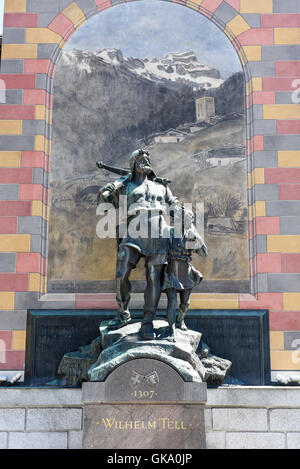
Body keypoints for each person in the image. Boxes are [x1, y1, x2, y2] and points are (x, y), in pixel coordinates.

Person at [97, 149, 181, 340]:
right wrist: (114, 186)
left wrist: (178, 210)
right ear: (133, 163)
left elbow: (174, 205)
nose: (144, 162)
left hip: (159, 230)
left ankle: (147, 322)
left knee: (154, 277)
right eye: (140, 159)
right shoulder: (126, 185)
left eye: (147, 160)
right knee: (121, 272)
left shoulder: (161, 187)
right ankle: (123, 312)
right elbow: (105, 198)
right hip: (134, 229)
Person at [162, 207, 208, 341]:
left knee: (185, 304)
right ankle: (171, 330)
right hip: (171, 269)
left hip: (185, 270)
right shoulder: (168, 232)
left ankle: (180, 320)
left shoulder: (190, 235)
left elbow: (204, 253)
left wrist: (196, 236)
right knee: (172, 301)